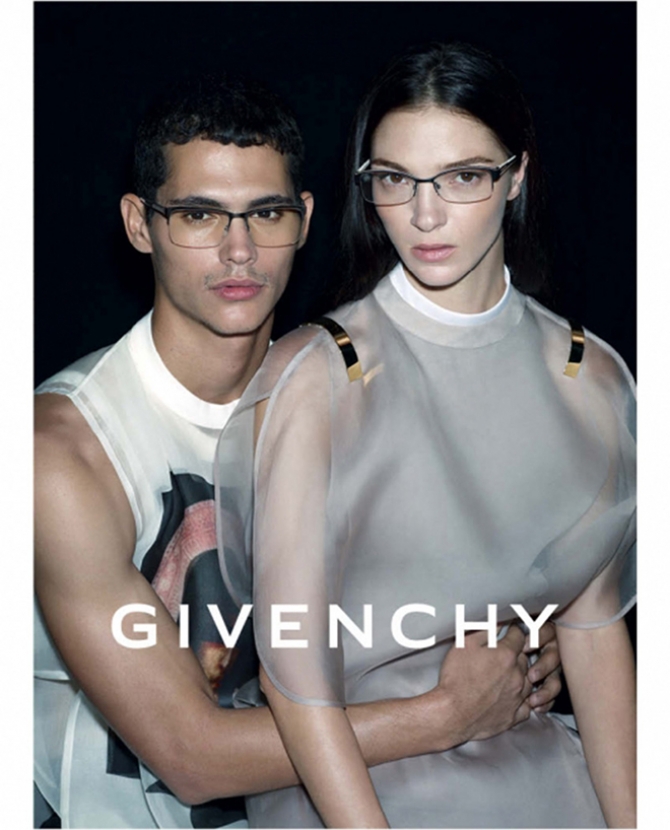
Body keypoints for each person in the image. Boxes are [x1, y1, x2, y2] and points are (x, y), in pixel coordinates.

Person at [34, 73, 563, 829]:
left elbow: (451, 624)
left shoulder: (349, 399)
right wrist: (447, 713)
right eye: (198, 216)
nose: (239, 251)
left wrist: (516, 652)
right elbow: (191, 758)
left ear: (305, 218)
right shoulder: (64, 453)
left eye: (267, 213)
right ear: (139, 224)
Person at [215, 43, 636, 828]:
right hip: (346, 784)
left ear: (517, 175)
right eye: (395, 180)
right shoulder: (319, 376)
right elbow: (293, 679)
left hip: (525, 759)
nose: (425, 214)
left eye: (462, 177)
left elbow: (594, 633)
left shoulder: (591, 377)